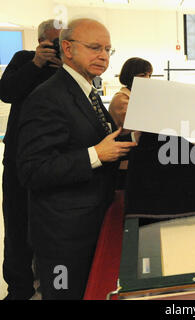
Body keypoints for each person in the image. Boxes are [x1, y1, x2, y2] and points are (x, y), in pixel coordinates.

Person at [16, 18, 138, 300]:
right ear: (67, 49)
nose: (104, 56)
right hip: (63, 238)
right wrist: (96, 154)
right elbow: (33, 170)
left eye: (108, 49)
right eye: (95, 47)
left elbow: (96, 140)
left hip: (93, 222)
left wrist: (135, 140)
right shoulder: (47, 97)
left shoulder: (86, 92)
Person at [0, 19, 62, 300]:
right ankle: (19, 288)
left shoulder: (69, 69)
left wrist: (67, 73)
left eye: (66, 43)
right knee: (16, 226)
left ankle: (51, 283)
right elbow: (7, 92)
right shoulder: (24, 59)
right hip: (17, 161)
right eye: (55, 43)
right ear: (41, 41)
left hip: (54, 161)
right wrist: (36, 64)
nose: (60, 49)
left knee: (51, 227)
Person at [109, 57, 153, 189]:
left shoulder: (138, 96)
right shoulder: (121, 99)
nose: (147, 79)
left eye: (149, 75)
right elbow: (141, 124)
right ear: (130, 76)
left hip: (138, 156)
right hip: (126, 159)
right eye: (142, 75)